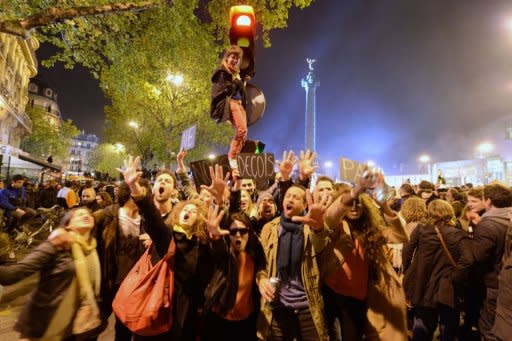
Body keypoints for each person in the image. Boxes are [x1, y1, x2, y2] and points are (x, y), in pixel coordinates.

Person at [117, 156, 226, 340]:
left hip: (184, 320)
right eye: (186, 208)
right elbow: (152, 219)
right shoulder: (167, 237)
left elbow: (219, 264)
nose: (189, 211)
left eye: (195, 211)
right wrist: (135, 188)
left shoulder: (203, 245)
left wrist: (215, 235)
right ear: (178, 212)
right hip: (155, 314)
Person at [0, 207, 103, 340]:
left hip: (79, 324)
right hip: (48, 322)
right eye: (79, 214)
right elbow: (13, 274)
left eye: (89, 214)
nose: (86, 215)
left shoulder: (93, 247)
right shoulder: (55, 245)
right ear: (67, 224)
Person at [256, 183, 331, 341]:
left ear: (304, 205)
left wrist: (318, 229)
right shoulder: (269, 228)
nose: (290, 199)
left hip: (308, 307)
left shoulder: (310, 228)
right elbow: (260, 264)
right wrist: (261, 279)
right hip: (277, 307)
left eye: (296, 197)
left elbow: (321, 246)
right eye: (288, 196)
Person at [402, 200, 472, 341]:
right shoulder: (457, 234)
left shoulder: (421, 231)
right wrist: (456, 276)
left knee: (422, 324)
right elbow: (468, 259)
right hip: (448, 287)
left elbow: (407, 252)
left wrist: (410, 271)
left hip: (423, 283)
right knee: (448, 326)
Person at [203, 212, 266, 341]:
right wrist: (215, 237)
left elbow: (261, 267)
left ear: (249, 232)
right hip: (220, 320)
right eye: (233, 231)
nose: (238, 235)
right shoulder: (225, 253)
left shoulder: (255, 251)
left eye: (242, 231)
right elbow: (218, 248)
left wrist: (262, 278)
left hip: (246, 321)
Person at [471, 183, 512, 341]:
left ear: (488, 201)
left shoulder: (488, 224)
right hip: (504, 280)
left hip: (493, 282)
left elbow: (479, 257)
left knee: (489, 326)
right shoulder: (508, 218)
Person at [210, 45, 248, 170]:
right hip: (229, 103)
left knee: (244, 133)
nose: (234, 60)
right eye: (232, 57)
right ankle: (232, 157)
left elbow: (241, 92)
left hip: (237, 102)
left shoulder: (235, 74)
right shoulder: (222, 73)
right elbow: (223, 91)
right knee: (241, 129)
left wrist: (240, 82)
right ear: (227, 58)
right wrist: (236, 82)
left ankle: (235, 159)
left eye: (237, 58)